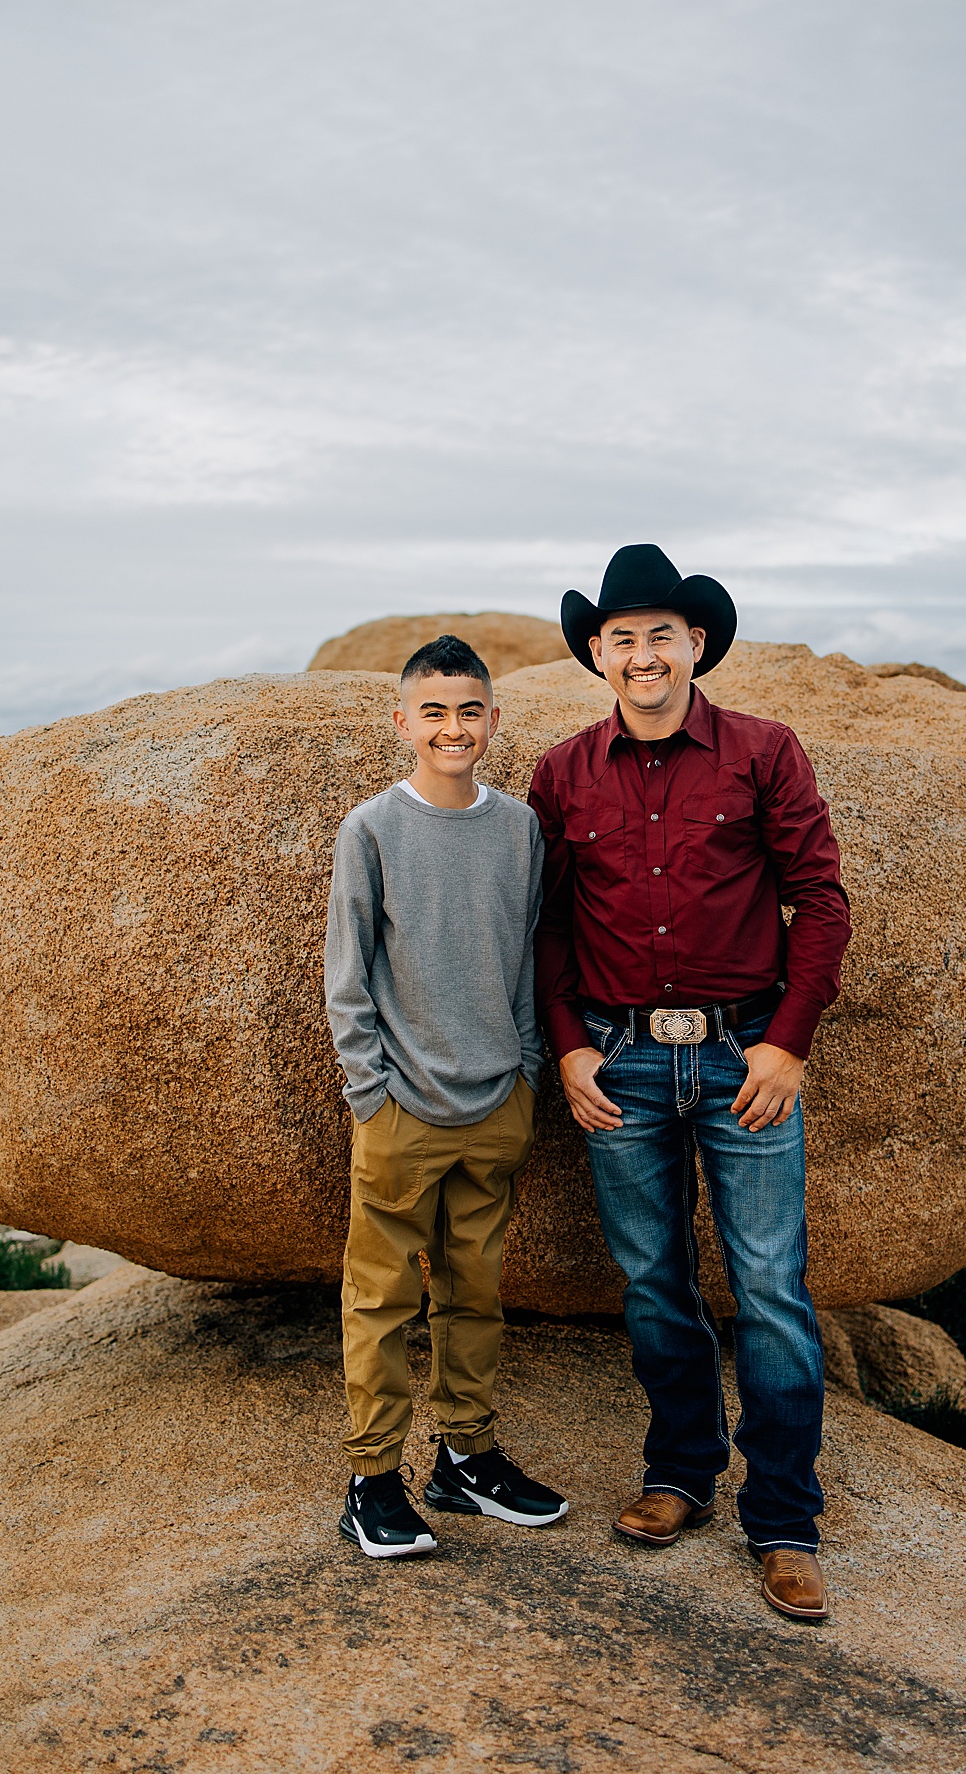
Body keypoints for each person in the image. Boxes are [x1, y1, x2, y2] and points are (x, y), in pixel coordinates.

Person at [527, 545, 851, 1621]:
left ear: (696, 644)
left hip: (743, 1056)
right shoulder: (562, 773)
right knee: (655, 1285)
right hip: (618, 1060)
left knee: (768, 1291)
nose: (642, 653)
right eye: (621, 637)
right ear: (598, 656)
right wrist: (570, 1044)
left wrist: (788, 1043)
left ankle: (785, 1520)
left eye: (661, 633)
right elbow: (551, 924)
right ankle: (679, 1475)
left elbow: (821, 900)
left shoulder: (762, 752)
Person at [325, 633, 567, 1558]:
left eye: (470, 710)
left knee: (476, 1294)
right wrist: (370, 1094)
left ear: (493, 720)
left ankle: (465, 1458)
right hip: (401, 1115)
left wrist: (528, 1072)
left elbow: (526, 960)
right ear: (404, 722)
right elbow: (348, 978)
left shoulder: (518, 829)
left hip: (498, 1101)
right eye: (434, 712)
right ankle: (372, 1480)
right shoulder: (372, 830)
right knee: (382, 1300)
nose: (453, 727)